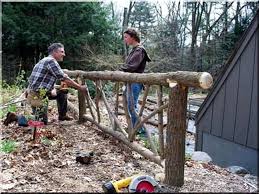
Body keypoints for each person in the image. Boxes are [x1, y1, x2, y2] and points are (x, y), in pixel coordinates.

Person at [27, 43, 86, 124]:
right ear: (54, 52)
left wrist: (53, 88)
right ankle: (15, 118)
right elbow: (64, 78)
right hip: (37, 94)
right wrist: (80, 87)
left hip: (42, 92)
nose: (64, 54)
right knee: (41, 122)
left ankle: (62, 116)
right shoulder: (51, 61)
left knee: (62, 92)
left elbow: (46, 80)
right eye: (62, 52)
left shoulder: (45, 60)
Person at [119, 28, 151, 134]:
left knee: (132, 107)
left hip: (135, 82)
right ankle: (134, 129)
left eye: (126, 37)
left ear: (133, 37)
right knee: (130, 106)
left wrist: (120, 70)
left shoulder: (139, 50)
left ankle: (139, 131)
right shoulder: (135, 50)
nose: (125, 40)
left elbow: (131, 66)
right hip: (131, 82)